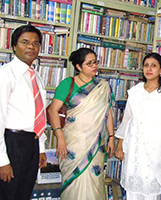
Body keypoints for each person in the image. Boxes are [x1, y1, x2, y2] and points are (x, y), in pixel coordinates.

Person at [47, 48, 115, 200]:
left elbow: (107, 112)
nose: (94, 66)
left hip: (95, 145)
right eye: (89, 63)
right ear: (78, 67)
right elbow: (53, 111)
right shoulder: (68, 84)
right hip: (73, 144)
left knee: (95, 182)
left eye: (95, 62)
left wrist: (111, 137)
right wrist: (60, 138)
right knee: (74, 183)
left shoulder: (103, 86)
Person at [115, 53, 161, 200]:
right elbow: (127, 120)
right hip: (134, 149)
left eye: (154, 65)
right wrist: (120, 146)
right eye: (146, 65)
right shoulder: (135, 91)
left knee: (151, 192)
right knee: (132, 192)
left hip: (156, 151)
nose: (149, 69)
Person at [0, 24, 47, 200]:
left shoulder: (35, 76)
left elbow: (39, 113)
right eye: (25, 42)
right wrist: (2, 161)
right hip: (11, 143)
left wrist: (41, 148)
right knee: (8, 194)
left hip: (31, 143)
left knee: (24, 193)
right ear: (14, 46)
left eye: (36, 43)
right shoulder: (5, 74)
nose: (31, 47)